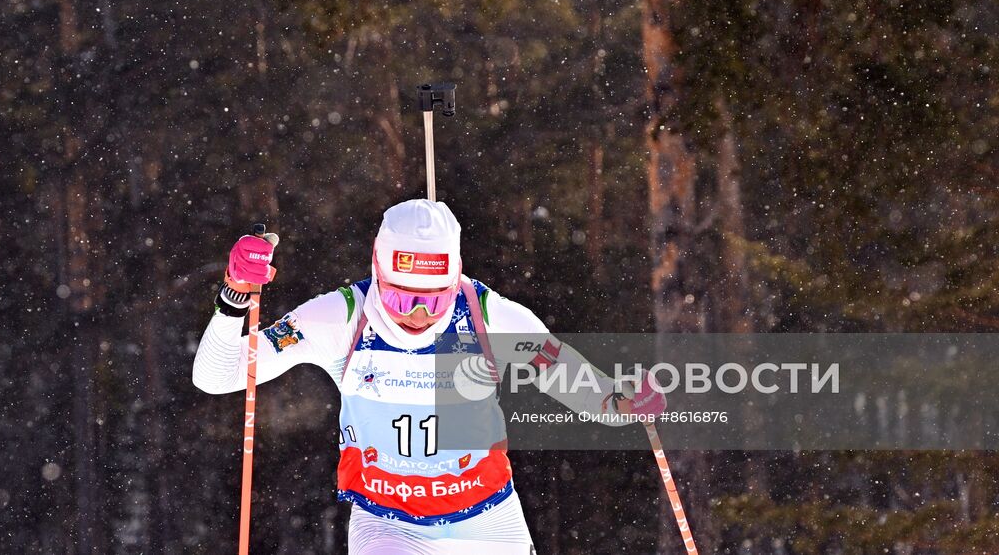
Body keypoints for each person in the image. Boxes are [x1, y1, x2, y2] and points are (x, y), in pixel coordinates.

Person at [193, 198, 665, 554]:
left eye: (434, 299)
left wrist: (625, 403)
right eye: (401, 298)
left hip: (488, 519)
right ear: (377, 269)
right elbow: (215, 377)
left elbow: (576, 388)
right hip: (388, 525)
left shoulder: (490, 318)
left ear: (454, 275)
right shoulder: (340, 317)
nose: (417, 313)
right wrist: (236, 295)